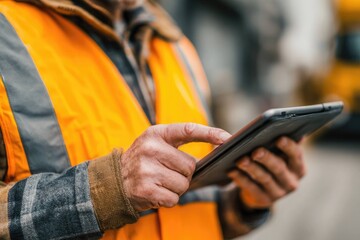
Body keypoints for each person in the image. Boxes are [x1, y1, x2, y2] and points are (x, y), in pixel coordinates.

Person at [0, 0, 306, 239]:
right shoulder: (7, 37)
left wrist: (247, 201)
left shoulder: (175, 45)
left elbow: (189, 212)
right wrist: (106, 189)